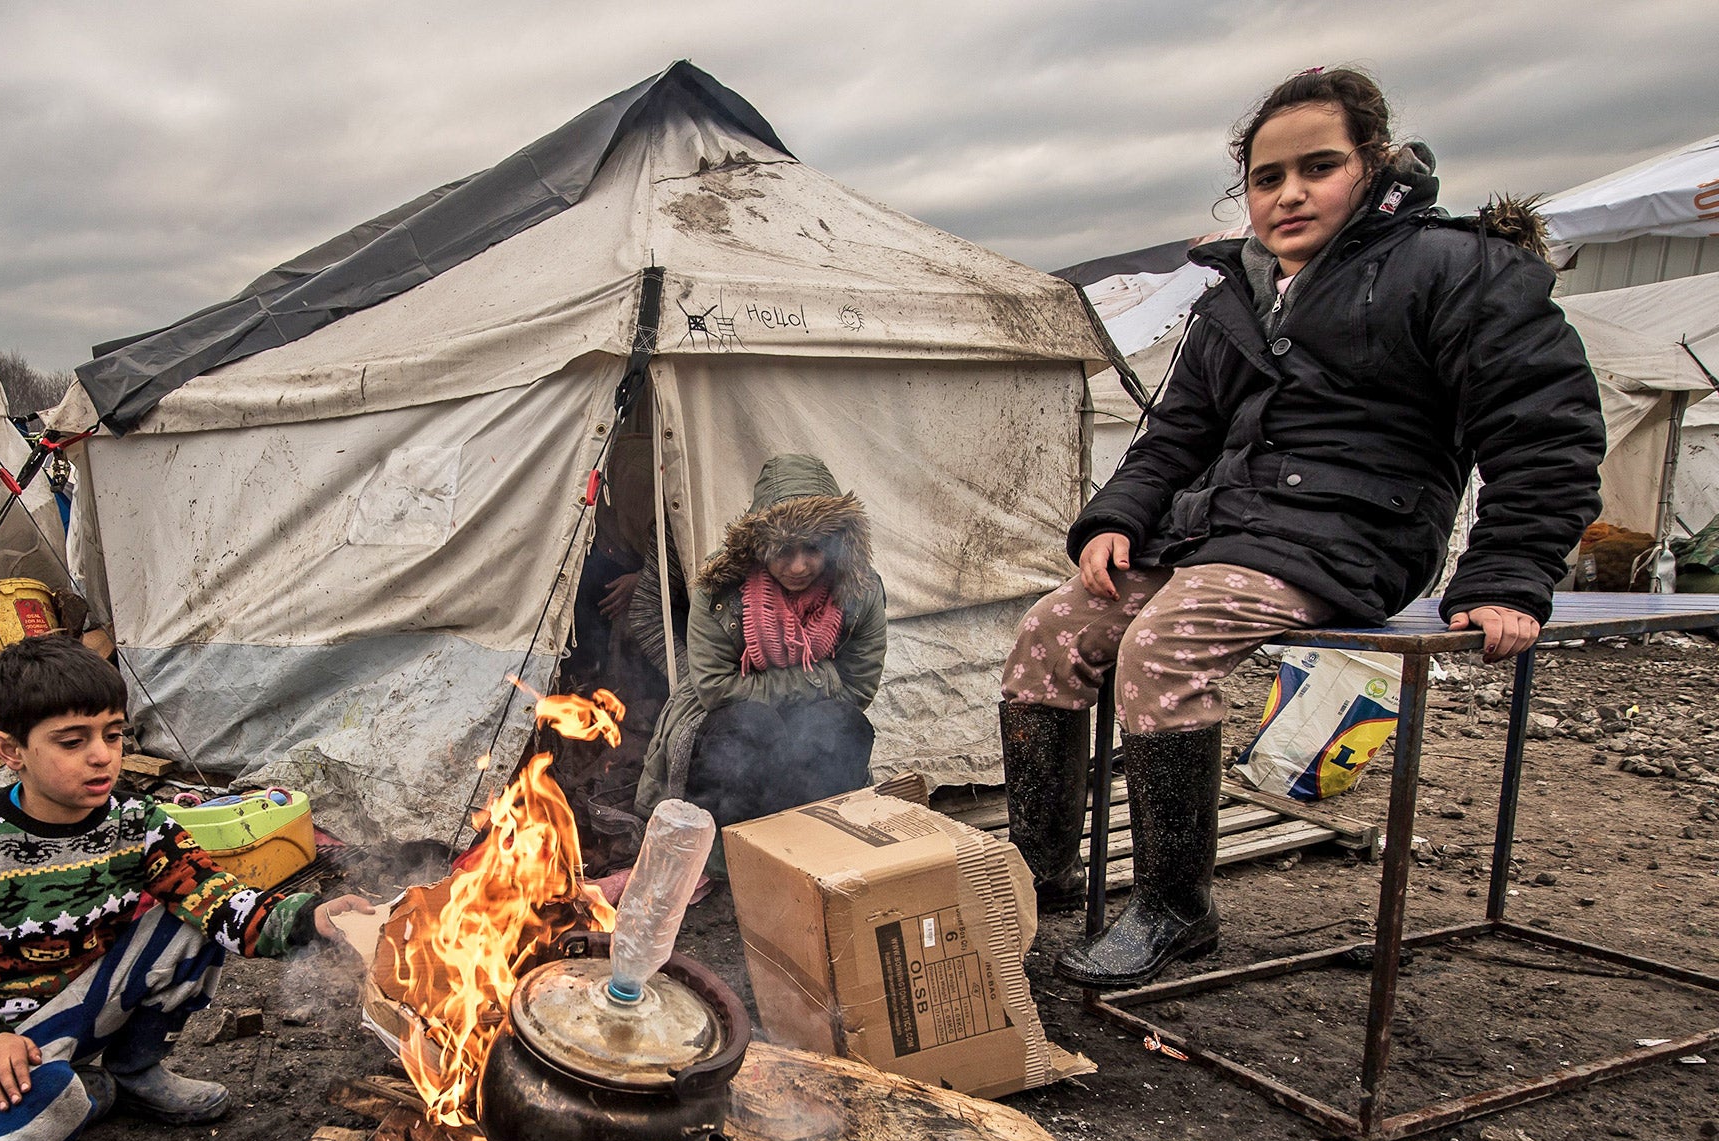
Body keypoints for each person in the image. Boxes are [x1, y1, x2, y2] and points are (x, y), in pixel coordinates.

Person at [1001, 66, 1604, 989]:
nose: (1288, 194)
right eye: (1266, 177)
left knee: (1163, 643)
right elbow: (1174, 435)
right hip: (1226, 534)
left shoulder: (1451, 267)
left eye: (1316, 167)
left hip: (1358, 534)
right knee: (1052, 631)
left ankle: (1176, 909)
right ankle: (1038, 872)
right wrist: (1114, 519)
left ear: (1374, 165)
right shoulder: (1235, 294)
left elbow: (1543, 426)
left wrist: (1508, 574)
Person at [0, 633, 369, 1141]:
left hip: (80, 1009)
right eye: (71, 742)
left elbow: (220, 902)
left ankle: (132, 1074)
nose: (102, 757)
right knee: (45, 1119)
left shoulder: (138, 821)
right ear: (11, 750)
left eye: (113, 734)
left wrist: (310, 917)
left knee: (189, 921)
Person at [636, 453, 886, 838]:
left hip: (813, 716)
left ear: (836, 544)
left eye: (813, 549)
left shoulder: (859, 589)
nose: (799, 566)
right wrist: (819, 679)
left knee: (843, 725)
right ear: (758, 546)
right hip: (723, 719)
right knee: (752, 726)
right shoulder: (718, 587)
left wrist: (801, 700)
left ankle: (813, 842)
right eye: (784, 551)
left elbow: (859, 688)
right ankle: (727, 851)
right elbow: (716, 688)